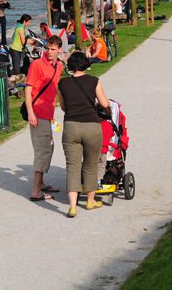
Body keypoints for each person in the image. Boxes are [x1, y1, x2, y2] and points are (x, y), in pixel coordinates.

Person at [58, 51, 109, 217]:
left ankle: (72, 206)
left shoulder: (63, 83)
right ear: (86, 64)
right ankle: (90, 201)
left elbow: (64, 107)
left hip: (71, 126)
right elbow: (104, 103)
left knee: (72, 166)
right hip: (92, 126)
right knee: (90, 164)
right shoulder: (94, 81)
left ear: (71, 66)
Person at [25, 35, 64, 201]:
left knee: (49, 148)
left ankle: (40, 183)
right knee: (42, 150)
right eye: (48, 48)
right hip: (37, 113)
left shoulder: (59, 66)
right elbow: (28, 90)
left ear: (59, 50)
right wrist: (30, 112)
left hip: (48, 114)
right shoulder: (36, 65)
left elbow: (56, 88)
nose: (49, 51)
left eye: (53, 49)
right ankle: (36, 191)